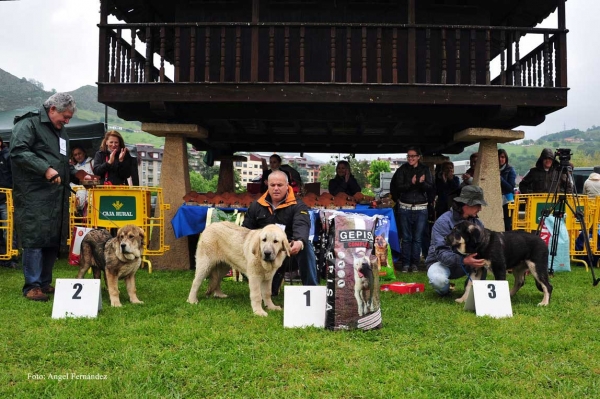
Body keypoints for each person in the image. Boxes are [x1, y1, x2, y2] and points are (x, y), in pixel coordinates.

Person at [10, 93, 84, 301]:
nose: (67, 121)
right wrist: (45, 169)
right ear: (52, 109)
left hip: (56, 195)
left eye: (69, 118)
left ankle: (44, 282)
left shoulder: (60, 132)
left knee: (51, 238)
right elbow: (18, 151)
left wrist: (79, 177)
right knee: (35, 238)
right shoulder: (29, 124)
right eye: (65, 116)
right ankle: (31, 286)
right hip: (34, 193)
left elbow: (62, 164)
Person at [242, 170, 318, 295]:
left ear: (287, 186)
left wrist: (299, 241)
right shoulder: (256, 205)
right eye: (272, 185)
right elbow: (245, 231)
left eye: (280, 185)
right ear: (267, 185)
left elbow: (302, 224)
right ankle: (267, 280)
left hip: (287, 253)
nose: (276, 188)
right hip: (263, 255)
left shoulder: (298, 205)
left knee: (306, 246)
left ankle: (312, 290)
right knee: (270, 293)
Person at [425, 185, 488, 296]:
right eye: (478, 205)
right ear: (465, 204)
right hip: (440, 263)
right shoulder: (443, 222)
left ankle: (471, 291)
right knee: (438, 280)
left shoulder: (478, 224)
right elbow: (441, 253)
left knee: (481, 263)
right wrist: (463, 260)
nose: (480, 208)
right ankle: (445, 290)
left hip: (467, 263)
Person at [390, 146, 433, 273]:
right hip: (405, 207)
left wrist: (420, 183)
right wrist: (412, 183)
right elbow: (397, 187)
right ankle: (405, 263)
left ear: (418, 157)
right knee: (407, 237)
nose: (410, 158)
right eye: (408, 156)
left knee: (417, 238)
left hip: (421, 207)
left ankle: (415, 264)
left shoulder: (425, 169)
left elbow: (430, 187)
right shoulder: (402, 169)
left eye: (413, 156)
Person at [0, 138, 17, 269]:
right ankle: (2, 257)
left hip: (7, 197)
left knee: (9, 229)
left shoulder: (8, 156)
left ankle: (12, 258)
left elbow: (15, 177)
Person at [70, 145, 98, 213]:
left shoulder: (93, 162)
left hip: (91, 193)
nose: (78, 156)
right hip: (79, 196)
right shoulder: (75, 167)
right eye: (75, 155)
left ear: (84, 153)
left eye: (79, 153)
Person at [498, 148, 516, 231]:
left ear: (506, 158)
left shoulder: (510, 170)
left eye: (502, 157)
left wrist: (500, 179)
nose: (500, 159)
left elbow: (510, 187)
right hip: (497, 200)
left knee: (507, 224)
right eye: (498, 157)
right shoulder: (492, 170)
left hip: (508, 200)